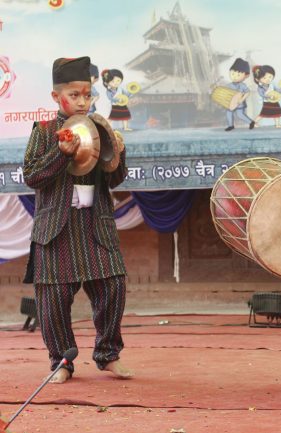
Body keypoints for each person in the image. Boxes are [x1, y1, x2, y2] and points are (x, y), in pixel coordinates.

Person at [23, 56, 134, 384]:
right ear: (57, 97)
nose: (83, 101)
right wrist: (61, 152)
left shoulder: (100, 128)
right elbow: (32, 176)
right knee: (53, 299)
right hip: (57, 228)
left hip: (94, 225)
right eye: (75, 95)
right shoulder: (43, 132)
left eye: (88, 95)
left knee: (113, 286)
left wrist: (119, 151)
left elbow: (114, 179)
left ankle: (108, 355)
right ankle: (61, 361)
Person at [224, 57, 255, 131]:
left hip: (239, 103)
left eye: (238, 75)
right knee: (229, 113)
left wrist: (242, 99)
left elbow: (247, 92)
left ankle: (251, 122)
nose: (234, 76)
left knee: (240, 115)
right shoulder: (229, 85)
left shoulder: (242, 85)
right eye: (232, 74)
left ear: (246, 76)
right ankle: (231, 125)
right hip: (231, 103)